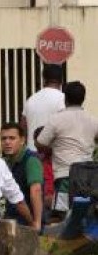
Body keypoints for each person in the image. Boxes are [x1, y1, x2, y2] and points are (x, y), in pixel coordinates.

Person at [36, 81, 98, 220]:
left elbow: (39, 143)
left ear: (65, 98)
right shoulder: (93, 120)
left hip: (65, 175)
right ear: (83, 98)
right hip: (88, 176)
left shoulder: (56, 119)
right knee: (86, 214)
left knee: (61, 215)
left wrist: (53, 147)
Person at [0, 123, 43, 231]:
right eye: (4, 138)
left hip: (28, 222)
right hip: (11, 220)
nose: (7, 142)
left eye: (12, 138)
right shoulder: (6, 161)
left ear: (22, 140)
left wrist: (36, 223)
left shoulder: (31, 160)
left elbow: (36, 191)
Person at [21, 64, 65, 151]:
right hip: (53, 155)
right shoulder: (64, 99)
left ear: (44, 79)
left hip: (32, 152)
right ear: (61, 80)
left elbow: (23, 126)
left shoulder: (31, 99)